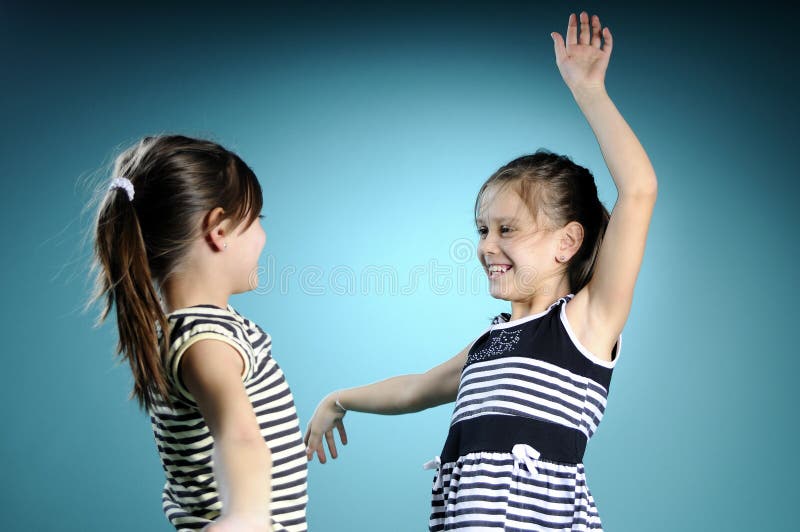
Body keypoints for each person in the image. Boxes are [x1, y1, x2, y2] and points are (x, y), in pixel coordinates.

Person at [304, 11, 657, 531]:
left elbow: (640, 190)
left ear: (567, 242)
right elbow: (417, 388)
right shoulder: (490, 344)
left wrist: (588, 92)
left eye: (507, 229)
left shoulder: (585, 326)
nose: (487, 246)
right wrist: (338, 399)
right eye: (482, 230)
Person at [89, 136, 308, 531]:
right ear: (218, 230)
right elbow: (239, 436)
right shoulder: (205, 341)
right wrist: (245, 516)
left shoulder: (200, 329)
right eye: (258, 219)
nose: (262, 235)